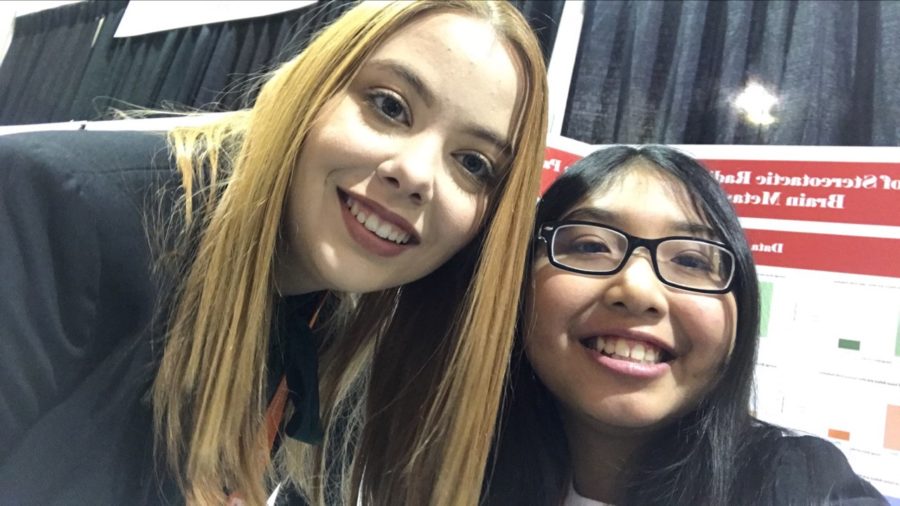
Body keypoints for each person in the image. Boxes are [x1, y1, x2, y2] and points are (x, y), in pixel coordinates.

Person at [0, 1, 548, 505]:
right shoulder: (51, 210)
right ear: (312, 88)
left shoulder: (322, 311)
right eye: (389, 106)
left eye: (473, 164)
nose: (416, 175)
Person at [482, 146, 887, 505]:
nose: (638, 290)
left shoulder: (808, 487)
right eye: (590, 246)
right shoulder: (449, 463)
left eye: (692, 261)